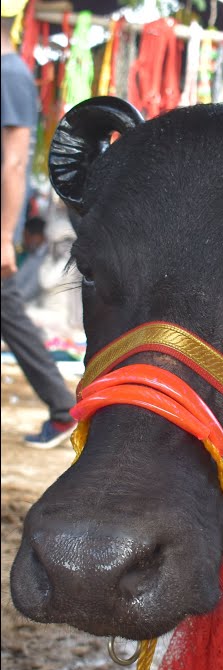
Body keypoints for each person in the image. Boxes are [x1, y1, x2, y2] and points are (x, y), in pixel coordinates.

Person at [2, 2, 78, 449]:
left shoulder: (10, 73)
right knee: (9, 314)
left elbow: (14, 162)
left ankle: (63, 408)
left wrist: (4, 238)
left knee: (10, 313)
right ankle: (62, 409)